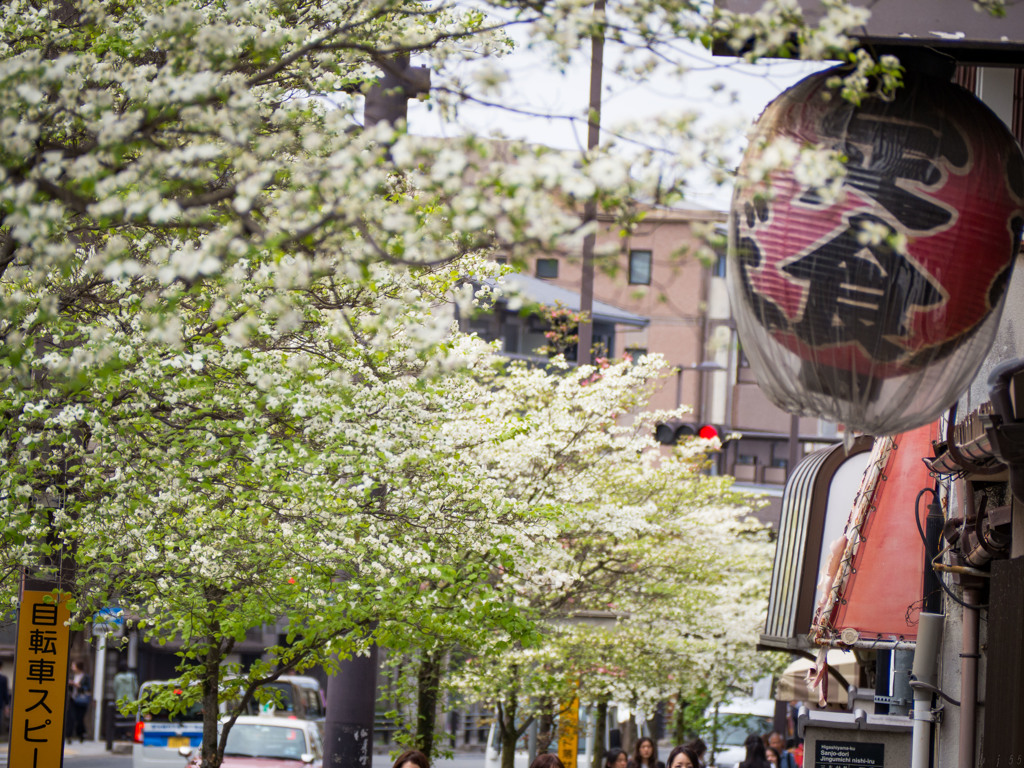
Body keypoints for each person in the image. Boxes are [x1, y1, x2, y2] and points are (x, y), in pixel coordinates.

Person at [67, 660, 92, 743]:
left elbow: (88, 688)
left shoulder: (86, 677)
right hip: (73, 699)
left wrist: (78, 686)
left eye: (74, 666)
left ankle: (81, 734)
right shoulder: (72, 676)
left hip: (82, 700)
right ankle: (69, 736)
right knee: (71, 718)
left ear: (78, 667)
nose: (72, 668)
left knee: (80, 719)